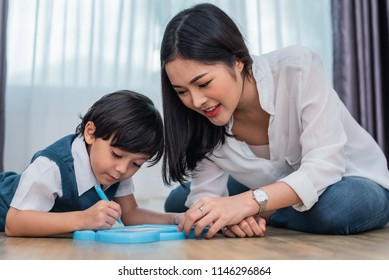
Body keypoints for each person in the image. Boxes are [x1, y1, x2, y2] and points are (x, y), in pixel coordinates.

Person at [160, 3, 389, 239]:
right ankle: (262, 209)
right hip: (270, 182)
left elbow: (324, 168)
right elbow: (204, 197)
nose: (196, 101)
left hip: (348, 178)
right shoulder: (201, 118)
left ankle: (266, 213)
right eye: (181, 91)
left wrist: (246, 205)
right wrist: (226, 218)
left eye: (204, 84)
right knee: (179, 202)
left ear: (237, 61)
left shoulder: (298, 67)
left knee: (340, 207)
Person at [0, 90, 180, 237]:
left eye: (136, 164)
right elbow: (14, 223)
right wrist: (84, 219)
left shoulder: (117, 170)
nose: (123, 169)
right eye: (116, 155)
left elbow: (130, 213)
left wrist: (176, 219)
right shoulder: (51, 165)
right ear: (90, 133)